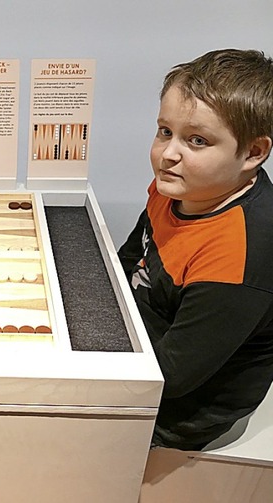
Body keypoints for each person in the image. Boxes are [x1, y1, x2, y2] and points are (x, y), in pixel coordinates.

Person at [118, 49, 273, 451]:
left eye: (197, 141)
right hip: (141, 339)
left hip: (181, 412)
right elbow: (129, 258)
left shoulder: (240, 252)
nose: (168, 154)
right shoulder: (181, 185)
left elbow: (171, 377)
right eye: (165, 131)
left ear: (254, 153)